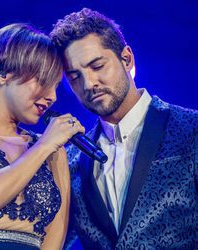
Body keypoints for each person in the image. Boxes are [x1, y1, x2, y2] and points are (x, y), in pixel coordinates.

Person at [50, 8, 198, 249]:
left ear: (126, 59)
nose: (89, 84)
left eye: (97, 66)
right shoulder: (72, 160)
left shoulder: (191, 129)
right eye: (75, 77)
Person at [0, 23, 85, 250]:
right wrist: (44, 145)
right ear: (2, 73)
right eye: (42, 81)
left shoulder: (53, 151)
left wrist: (46, 146)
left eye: (56, 87)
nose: (52, 97)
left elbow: (54, 237)